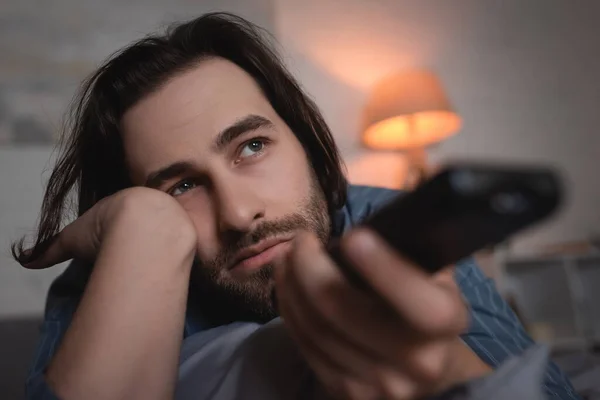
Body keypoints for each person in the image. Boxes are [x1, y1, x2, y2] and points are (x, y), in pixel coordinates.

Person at [13, 12, 579, 400]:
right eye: (180, 187)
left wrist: (453, 376)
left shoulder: (382, 221)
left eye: (251, 147)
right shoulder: (127, 260)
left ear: (305, 143)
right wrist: (141, 223)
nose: (239, 215)